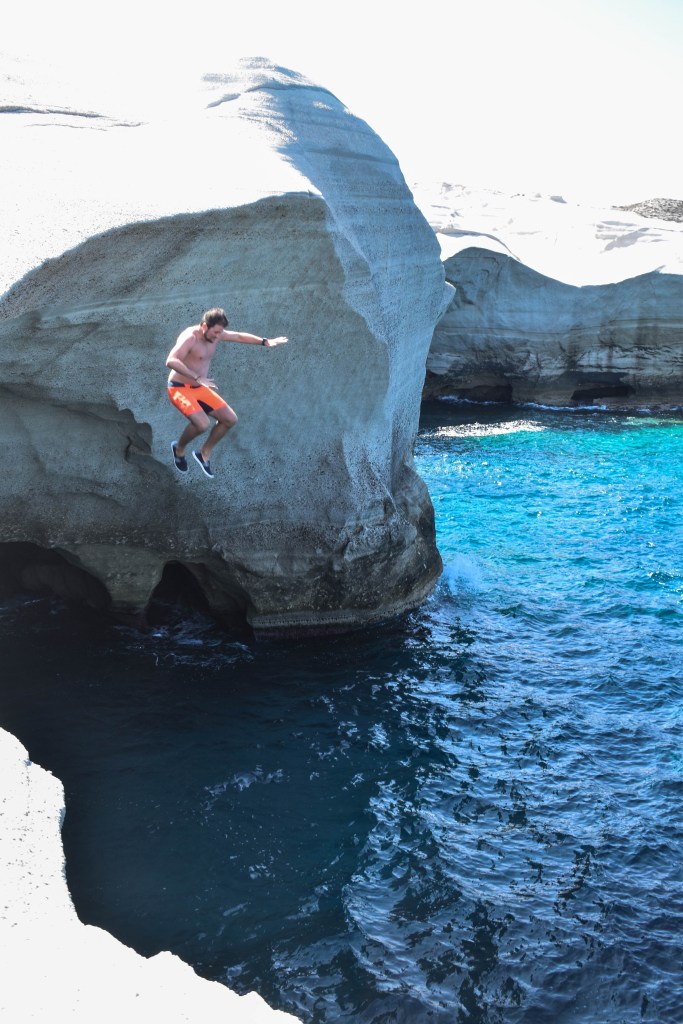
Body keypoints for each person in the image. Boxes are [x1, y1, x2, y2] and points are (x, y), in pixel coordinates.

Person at [166, 308, 288, 478]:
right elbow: (171, 360)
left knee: (230, 419)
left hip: (200, 388)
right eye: (215, 332)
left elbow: (238, 336)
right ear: (204, 326)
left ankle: (204, 453)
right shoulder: (190, 337)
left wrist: (264, 342)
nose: (218, 337)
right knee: (202, 424)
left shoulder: (217, 334)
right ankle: (178, 449)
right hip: (179, 388)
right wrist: (196, 377)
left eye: (220, 333)